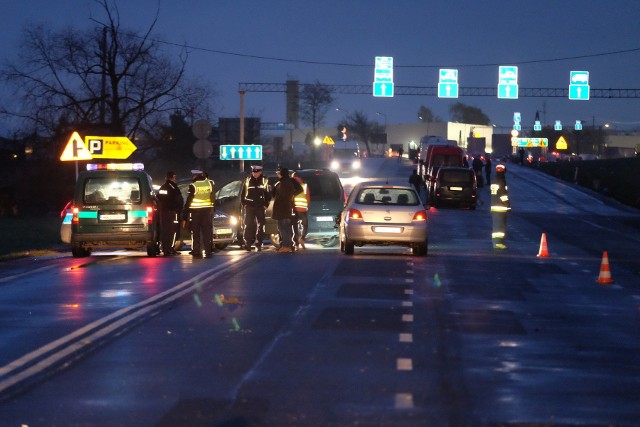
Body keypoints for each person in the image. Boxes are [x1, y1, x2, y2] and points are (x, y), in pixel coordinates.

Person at [183, 169, 215, 258]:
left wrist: (185, 211)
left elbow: (189, 200)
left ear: (195, 176)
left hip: (195, 212)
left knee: (196, 232)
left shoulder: (193, 185)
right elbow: (212, 196)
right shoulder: (209, 184)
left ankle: (196, 250)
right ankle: (208, 251)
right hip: (206, 211)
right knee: (206, 232)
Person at [271, 166, 302, 253]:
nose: (278, 174)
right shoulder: (288, 181)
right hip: (287, 208)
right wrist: (292, 195)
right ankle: (288, 245)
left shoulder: (282, 183)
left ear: (281, 173)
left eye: (279, 173)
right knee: (287, 227)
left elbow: (277, 195)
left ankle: (286, 245)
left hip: (282, 208)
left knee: (283, 227)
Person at [241, 164, 271, 252]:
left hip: (260, 206)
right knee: (248, 225)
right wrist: (244, 204)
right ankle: (248, 244)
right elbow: (243, 194)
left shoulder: (264, 180)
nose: (255, 174)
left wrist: (266, 205)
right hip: (249, 206)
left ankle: (259, 243)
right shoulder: (248, 180)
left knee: (261, 226)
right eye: (254, 172)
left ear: (260, 172)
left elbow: (268, 194)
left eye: (257, 172)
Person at [157, 171, 183, 256]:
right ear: (172, 177)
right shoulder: (173, 187)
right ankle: (170, 248)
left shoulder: (163, 187)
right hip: (173, 212)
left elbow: (159, 199)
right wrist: (179, 209)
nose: (175, 179)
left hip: (164, 212)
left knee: (166, 231)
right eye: (174, 177)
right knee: (173, 231)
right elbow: (178, 200)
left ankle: (166, 249)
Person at [490, 164, 511, 249]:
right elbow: (503, 195)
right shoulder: (501, 181)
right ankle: (498, 243)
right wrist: (508, 205)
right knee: (500, 227)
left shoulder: (494, 180)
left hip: (495, 206)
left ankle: (496, 243)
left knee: (496, 226)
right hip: (501, 207)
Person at [292, 171, 310, 249]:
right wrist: (306, 206)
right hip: (303, 209)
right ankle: (302, 238)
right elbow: (308, 198)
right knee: (305, 225)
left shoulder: (291, 185)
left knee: (294, 226)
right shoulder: (304, 186)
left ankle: (296, 242)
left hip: (294, 209)